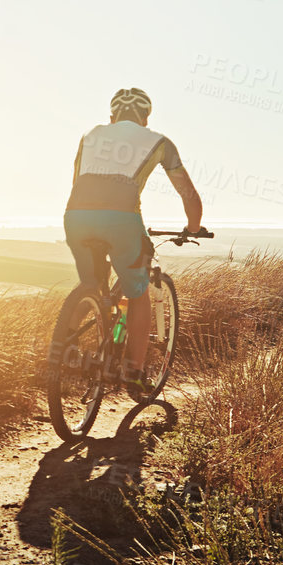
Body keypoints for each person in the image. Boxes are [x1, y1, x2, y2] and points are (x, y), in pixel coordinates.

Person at [63, 88, 202, 396]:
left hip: (76, 217)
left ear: (111, 117)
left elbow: (77, 183)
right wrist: (193, 227)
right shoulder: (160, 142)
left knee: (92, 288)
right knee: (137, 293)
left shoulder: (89, 136)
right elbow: (189, 195)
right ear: (145, 118)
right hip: (123, 221)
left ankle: (66, 351)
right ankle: (134, 373)